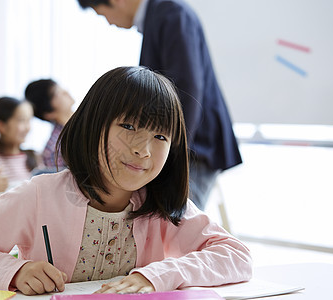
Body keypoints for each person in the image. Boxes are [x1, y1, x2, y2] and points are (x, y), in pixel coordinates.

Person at [0, 67, 252, 295]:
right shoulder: (40, 195)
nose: (143, 149)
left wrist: (159, 275)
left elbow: (236, 256)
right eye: (128, 127)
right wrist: (15, 271)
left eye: (160, 135)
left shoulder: (163, 206)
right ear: (93, 125)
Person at [77, 0, 242, 210]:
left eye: (101, 14)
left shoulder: (171, 13)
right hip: (181, 142)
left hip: (193, 145)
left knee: (175, 220)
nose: (109, 22)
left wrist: (173, 154)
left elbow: (186, 88)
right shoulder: (161, 14)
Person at [24, 79, 74, 171]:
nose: (65, 92)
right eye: (56, 93)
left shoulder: (93, 123)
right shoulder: (54, 149)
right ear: (49, 113)